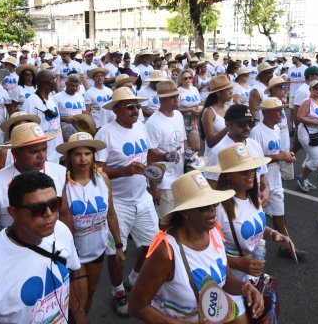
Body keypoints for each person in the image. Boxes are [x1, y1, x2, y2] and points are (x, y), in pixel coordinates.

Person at [129, 170, 264, 322]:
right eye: (204, 207)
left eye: (214, 203)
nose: (213, 210)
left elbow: (224, 281)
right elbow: (136, 306)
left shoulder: (215, 233)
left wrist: (246, 288)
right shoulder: (166, 252)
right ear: (185, 212)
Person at [0, 171, 87, 323]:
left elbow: (73, 273)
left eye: (54, 204)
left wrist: (79, 314)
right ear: (13, 212)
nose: (49, 214)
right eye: (37, 208)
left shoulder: (61, 230)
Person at [95, 86, 159, 316]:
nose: (136, 110)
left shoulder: (141, 126)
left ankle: (133, 277)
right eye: (130, 107)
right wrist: (124, 171)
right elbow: (97, 169)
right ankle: (118, 289)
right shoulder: (105, 133)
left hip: (142, 198)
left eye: (138, 106)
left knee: (152, 246)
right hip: (118, 203)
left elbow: (147, 158)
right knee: (116, 254)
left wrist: (153, 187)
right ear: (117, 110)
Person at [56, 132, 125, 313]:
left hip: (97, 249)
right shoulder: (62, 182)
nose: (83, 159)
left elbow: (110, 213)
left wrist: (118, 245)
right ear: (69, 157)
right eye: (78, 154)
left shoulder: (103, 179)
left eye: (87, 153)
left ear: (93, 155)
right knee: (77, 300)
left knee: (91, 291)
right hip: (74, 253)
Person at [212, 144, 294, 292]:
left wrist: (274, 234)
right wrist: (236, 263)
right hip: (228, 282)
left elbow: (254, 226)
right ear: (228, 175)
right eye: (244, 171)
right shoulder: (218, 209)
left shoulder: (252, 198)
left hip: (251, 278)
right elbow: (205, 254)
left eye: (253, 169)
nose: (250, 173)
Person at [0, 122, 69, 251]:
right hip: (11, 255)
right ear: (15, 154)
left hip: (54, 251)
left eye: (44, 149)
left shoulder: (59, 173)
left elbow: (64, 214)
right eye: (34, 151)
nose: (42, 156)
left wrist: (70, 250)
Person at [250, 98, 307, 260]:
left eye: (281, 109)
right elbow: (255, 159)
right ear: (266, 113)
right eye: (277, 110)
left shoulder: (275, 129)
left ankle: (286, 246)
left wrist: (287, 156)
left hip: (275, 178)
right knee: (257, 216)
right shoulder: (257, 132)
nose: (281, 113)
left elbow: (277, 154)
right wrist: (279, 156)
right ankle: (251, 250)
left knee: (279, 214)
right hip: (262, 180)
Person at [203, 104, 270, 207]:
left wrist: (266, 190)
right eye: (242, 124)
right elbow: (211, 187)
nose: (247, 127)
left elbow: (261, 176)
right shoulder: (218, 152)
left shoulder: (255, 145)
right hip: (230, 210)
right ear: (228, 125)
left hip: (255, 204)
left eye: (250, 123)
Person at [146, 80, 187, 219]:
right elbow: (149, 157)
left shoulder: (179, 115)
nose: (177, 99)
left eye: (177, 96)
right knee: (165, 222)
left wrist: (189, 156)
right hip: (164, 184)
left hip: (179, 179)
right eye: (172, 97)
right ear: (162, 100)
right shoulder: (153, 123)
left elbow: (182, 142)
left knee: (179, 221)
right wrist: (154, 189)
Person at [22, 69, 63, 163]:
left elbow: (57, 123)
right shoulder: (31, 102)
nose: (56, 81)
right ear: (48, 81)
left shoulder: (52, 100)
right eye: (54, 79)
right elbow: (25, 130)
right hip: (43, 156)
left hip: (56, 153)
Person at [296, 80, 318, 191]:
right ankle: (302, 177)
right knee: (317, 158)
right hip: (307, 133)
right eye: (315, 88)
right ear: (310, 89)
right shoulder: (307, 101)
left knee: (312, 157)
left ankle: (304, 179)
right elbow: (300, 117)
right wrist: (317, 122)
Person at [199, 75, 233, 160]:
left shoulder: (228, 108)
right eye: (228, 90)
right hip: (214, 157)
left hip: (229, 153)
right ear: (218, 93)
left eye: (230, 89)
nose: (231, 92)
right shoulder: (209, 112)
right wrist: (229, 127)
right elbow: (210, 142)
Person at [53, 74, 86, 140]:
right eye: (72, 86)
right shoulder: (56, 97)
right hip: (63, 134)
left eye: (77, 86)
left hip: (78, 133)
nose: (75, 88)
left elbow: (83, 113)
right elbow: (52, 118)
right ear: (66, 84)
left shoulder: (80, 97)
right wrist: (64, 119)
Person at [177, 70, 201, 152]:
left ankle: (191, 161)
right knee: (185, 149)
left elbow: (198, 103)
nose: (188, 80)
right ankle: (187, 164)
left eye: (190, 77)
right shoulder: (178, 90)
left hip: (194, 120)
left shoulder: (194, 89)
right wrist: (190, 109)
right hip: (182, 120)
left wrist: (198, 110)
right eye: (185, 78)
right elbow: (175, 109)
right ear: (181, 79)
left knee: (196, 147)